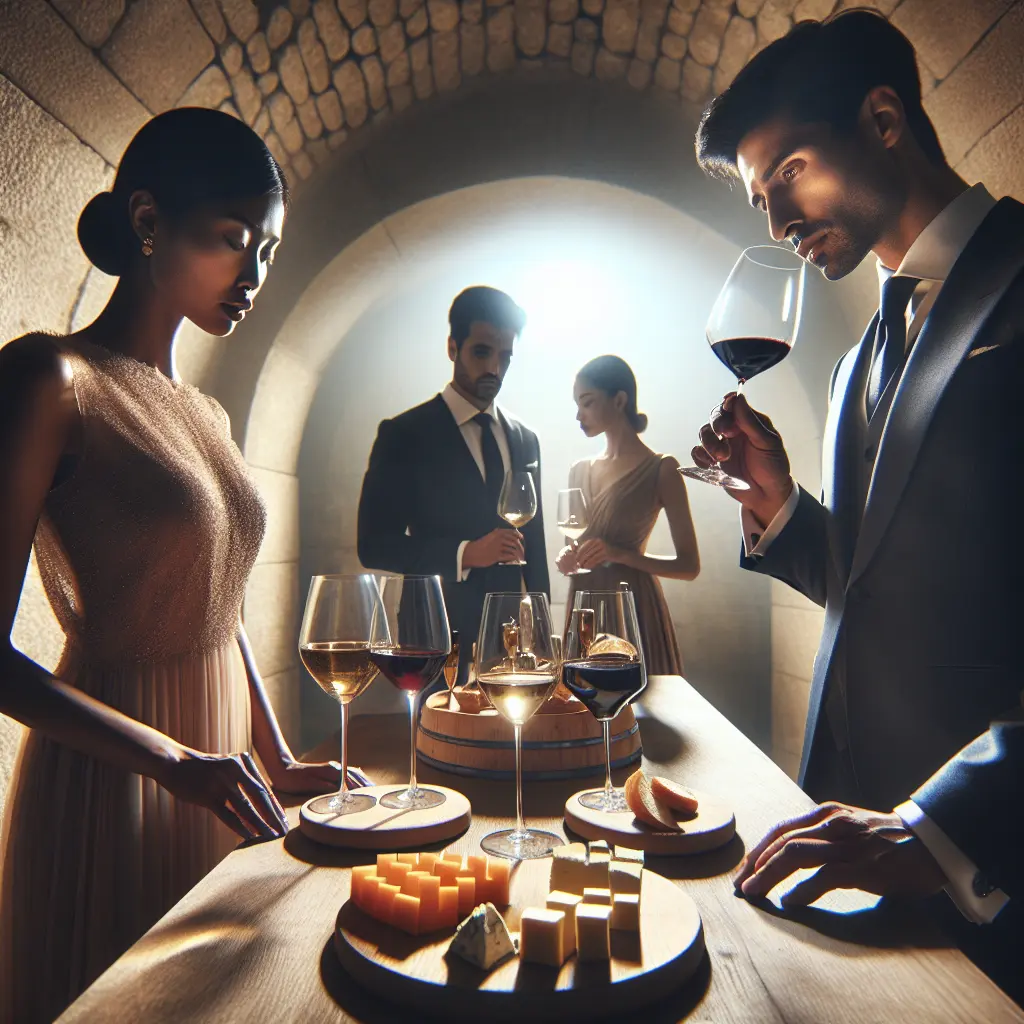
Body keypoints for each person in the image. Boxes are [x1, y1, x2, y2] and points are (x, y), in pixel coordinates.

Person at [690, 10, 1023, 1000]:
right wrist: (782, 507)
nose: (776, 223)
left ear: (883, 120)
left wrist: (945, 827)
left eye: (786, 170)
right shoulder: (855, 359)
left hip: (985, 861)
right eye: (758, 199)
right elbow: (875, 578)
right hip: (856, 844)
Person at [0, 108, 357, 1023]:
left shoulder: (204, 415)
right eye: (232, 239)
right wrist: (172, 762)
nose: (254, 275)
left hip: (219, 774)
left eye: (268, 249)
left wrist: (273, 757)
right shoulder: (51, 379)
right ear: (149, 221)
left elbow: (217, 608)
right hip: (117, 776)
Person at [357, 286, 550, 682]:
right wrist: (465, 553)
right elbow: (373, 545)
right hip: (432, 631)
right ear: (452, 347)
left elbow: (537, 540)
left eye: (505, 356)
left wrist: (545, 631)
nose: (495, 368)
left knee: (512, 742)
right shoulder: (404, 434)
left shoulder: (525, 438)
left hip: (512, 637)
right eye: (482, 352)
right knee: (437, 742)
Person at [556, 355, 699, 672]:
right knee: (582, 711)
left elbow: (689, 567)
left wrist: (622, 554)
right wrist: (567, 560)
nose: (579, 415)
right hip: (584, 610)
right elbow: (574, 549)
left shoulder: (663, 469)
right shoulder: (577, 471)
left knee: (640, 713)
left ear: (619, 400)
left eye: (587, 402)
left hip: (634, 608)